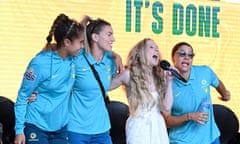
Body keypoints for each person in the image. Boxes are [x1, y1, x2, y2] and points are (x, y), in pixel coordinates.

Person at [14, 13, 84, 144]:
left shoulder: (76, 58)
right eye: (80, 43)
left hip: (61, 128)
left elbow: (98, 49)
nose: (83, 46)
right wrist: (19, 130)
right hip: (36, 124)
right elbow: (23, 96)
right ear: (67, 42)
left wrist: (115, 56)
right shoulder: (40, 63)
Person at [165, 42, 231, 144]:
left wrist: (224, 94)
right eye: (182, 54)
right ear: (173, 58)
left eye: (190, 55)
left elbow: (216, 82)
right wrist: (189, 116)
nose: (187, 57)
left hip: (211, 139)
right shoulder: (167, 85)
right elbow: (167, 121)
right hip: (182, 141)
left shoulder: (205, 72)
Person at [109, 38, 173, 144]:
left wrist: (169, 82)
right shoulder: (129, 74)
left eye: (157, 48)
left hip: (158, 126)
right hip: (139, 125)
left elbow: (166, 107)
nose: (156, 50)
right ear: (141, 52)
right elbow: (103, 87)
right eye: (152, 47)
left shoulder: (159, 77)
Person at [67, 16, 118, 144]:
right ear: (95, 37)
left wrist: (117, 56)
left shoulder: (110, 61)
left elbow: (104, 85)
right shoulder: (76, 59)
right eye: (109, 34)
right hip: (77, 129)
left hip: (102, 130)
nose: (113, 39)